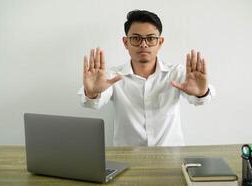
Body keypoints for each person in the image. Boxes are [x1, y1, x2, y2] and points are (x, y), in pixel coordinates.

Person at [78, 10, 215, 146]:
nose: (144, 44)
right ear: (126, 42)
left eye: (150, 38)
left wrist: (201, 93)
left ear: (160, 42)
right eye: (136, 38)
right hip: (127, 158)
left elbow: (200, 101)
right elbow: (91, 104)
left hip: (171, 156)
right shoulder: (112, 77)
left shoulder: (176, 73)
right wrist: (92, 93)